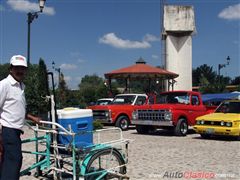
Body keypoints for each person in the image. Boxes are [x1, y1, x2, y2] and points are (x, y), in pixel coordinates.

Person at [0, 55, 42, 180]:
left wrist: (32, 118)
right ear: (10, 69)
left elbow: (17, 108)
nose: (20, 71)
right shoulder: (4, 85)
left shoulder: (21, 86)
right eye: (17, 68)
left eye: (22, 68)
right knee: (14, 161)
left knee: (9, 162)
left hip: (15, 131)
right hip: (8, 130)